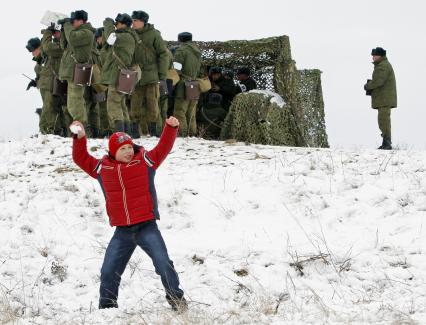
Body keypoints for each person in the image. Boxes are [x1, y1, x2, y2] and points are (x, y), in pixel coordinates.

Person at [70, 116, 187, 312]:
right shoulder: (102, 169)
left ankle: (176, 299)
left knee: (163, 263)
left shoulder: (145, 161)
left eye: (129, 147)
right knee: (108, 271)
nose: (128, 151)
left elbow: (163, 147)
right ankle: (107, 308)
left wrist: (170, 128)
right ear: (113, 152)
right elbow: (80, 158)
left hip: (146, 227)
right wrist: (80, 138)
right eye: (122, 149)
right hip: (122, 232)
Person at [129, 10, 168, 138]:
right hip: (136, 74)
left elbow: (163, 54)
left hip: (151, 75)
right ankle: (134, 131)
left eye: (135, 20)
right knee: (135, 103)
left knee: (153, 103)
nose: (133, 22)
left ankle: (154, 131)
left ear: (143, 22)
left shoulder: (154, 34)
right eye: (132, 20)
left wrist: (162, 75)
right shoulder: (130, 34)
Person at [58, 10, 96, 131]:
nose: (72, 23)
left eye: (73, 21)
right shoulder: (75, 32)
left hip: (78, 71)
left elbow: (73, 39)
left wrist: (67, 25)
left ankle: (82, 129)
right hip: (72, 71)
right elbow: (64, 45)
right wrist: (64, 30)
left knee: (76, 101)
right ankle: (79, 127)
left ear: (81, 20)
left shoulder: (87, 33)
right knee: (72, 103)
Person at [101, 13, 137, 133]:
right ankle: (126, 132)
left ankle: (119, 133)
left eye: (117, 23)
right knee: (121, 104)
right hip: (121, 75)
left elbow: (109, 39)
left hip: (117, 75)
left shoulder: (124, 36)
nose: (116, 25)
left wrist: (108, 23)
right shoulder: (129, 36)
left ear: (123, 24)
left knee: (113, 104)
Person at [364, 47, 397, 150]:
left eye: (375, 55)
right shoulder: (382, 65)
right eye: (372, 55)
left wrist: (367, 86)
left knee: (384, 121)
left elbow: (378, 81)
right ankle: (385, 143)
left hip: (384, 99)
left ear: (380, 56)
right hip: (383, 99)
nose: (373, 57)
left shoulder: (383, 66)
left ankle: (387, 143)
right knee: (383, 121)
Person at [173, 32, 202, 136]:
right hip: (194, 83)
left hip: (183, 84)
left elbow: (176, 69)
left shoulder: (181, 50)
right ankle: (192, 133)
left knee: (179, 111)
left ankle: (182, 134)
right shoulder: (197, 51)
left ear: (180, 39)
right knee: (191, 112)